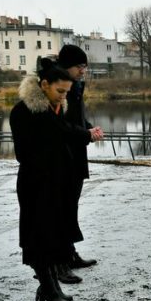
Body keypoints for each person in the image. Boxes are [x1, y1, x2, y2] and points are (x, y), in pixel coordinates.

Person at [10, 59, 91, 301]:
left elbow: (63, 133)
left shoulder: (53, 109)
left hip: (55, 181)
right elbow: (27, 152)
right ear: (44, 84)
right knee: (39, 237)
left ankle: (51, 286)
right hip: (36, 184)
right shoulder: (25, 111)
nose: (63, 96)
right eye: (60, 91)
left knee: (54, 235)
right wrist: (82, 135)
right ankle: (48, 287)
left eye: (66, 92)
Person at [56, 44, 104, 284]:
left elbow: (75, 119)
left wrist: (89, 128)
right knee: (60, 211)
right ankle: (60, 262)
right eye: (80, 66)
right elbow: (59, 126)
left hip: (74, 157)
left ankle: (70, 253)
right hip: (61, 159)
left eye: (85, 66)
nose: (84, 71)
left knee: (70, 208)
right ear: (68, 66)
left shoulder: (73, 87)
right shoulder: (58, 89)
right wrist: (85, 134)